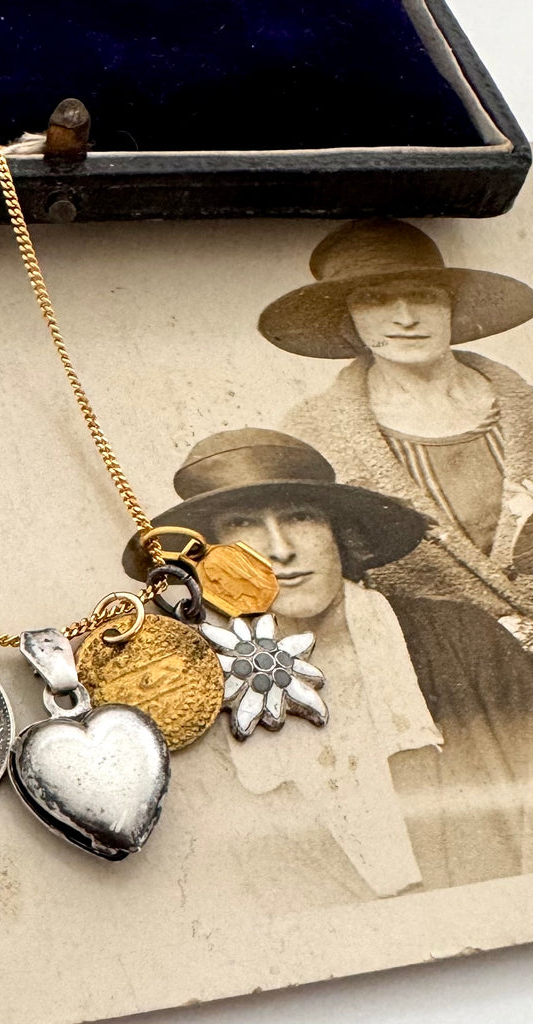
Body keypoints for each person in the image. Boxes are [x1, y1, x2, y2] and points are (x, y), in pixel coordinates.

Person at [124, 428, 532, 896]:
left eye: (301, 516)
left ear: (339, 531)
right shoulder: (187, 688)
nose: (280, 549)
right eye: (242, 525)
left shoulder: (462, 639)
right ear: (209, 559)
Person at [258, 218, 533, 640]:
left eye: (424, 296)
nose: (405, 318)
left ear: (450, 306)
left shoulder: (524, 408)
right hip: (432, 659)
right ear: (348, 317)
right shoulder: (312, 436)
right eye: (375, 300)